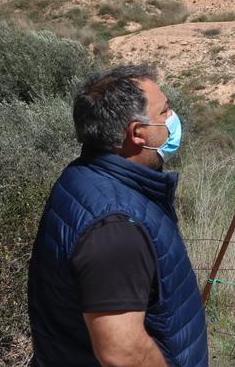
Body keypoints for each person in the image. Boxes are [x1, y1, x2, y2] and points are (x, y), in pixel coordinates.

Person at [27, 65, 208, 366]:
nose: (172, 118)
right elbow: (122, 351)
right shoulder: (115, 226)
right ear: (137, 134)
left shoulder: (84, 177)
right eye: (164, 112)